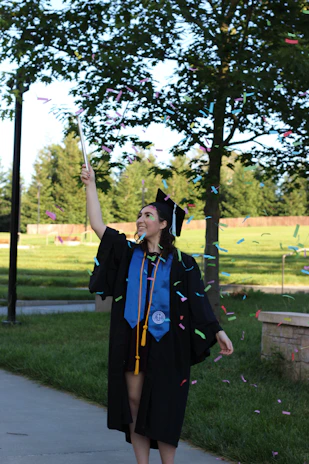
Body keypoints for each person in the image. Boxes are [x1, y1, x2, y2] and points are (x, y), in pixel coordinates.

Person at [80, 164, 234, 464]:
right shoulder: (127, 254)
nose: (141, 219)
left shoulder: (183, 263)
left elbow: (198, 300)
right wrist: (91, 185)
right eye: (140, 214)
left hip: (168, 346)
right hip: (133, 343)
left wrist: (217, 330)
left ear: (164, 224)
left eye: (148, 215)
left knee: (165, 407)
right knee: (135, 403)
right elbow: (97, 224)